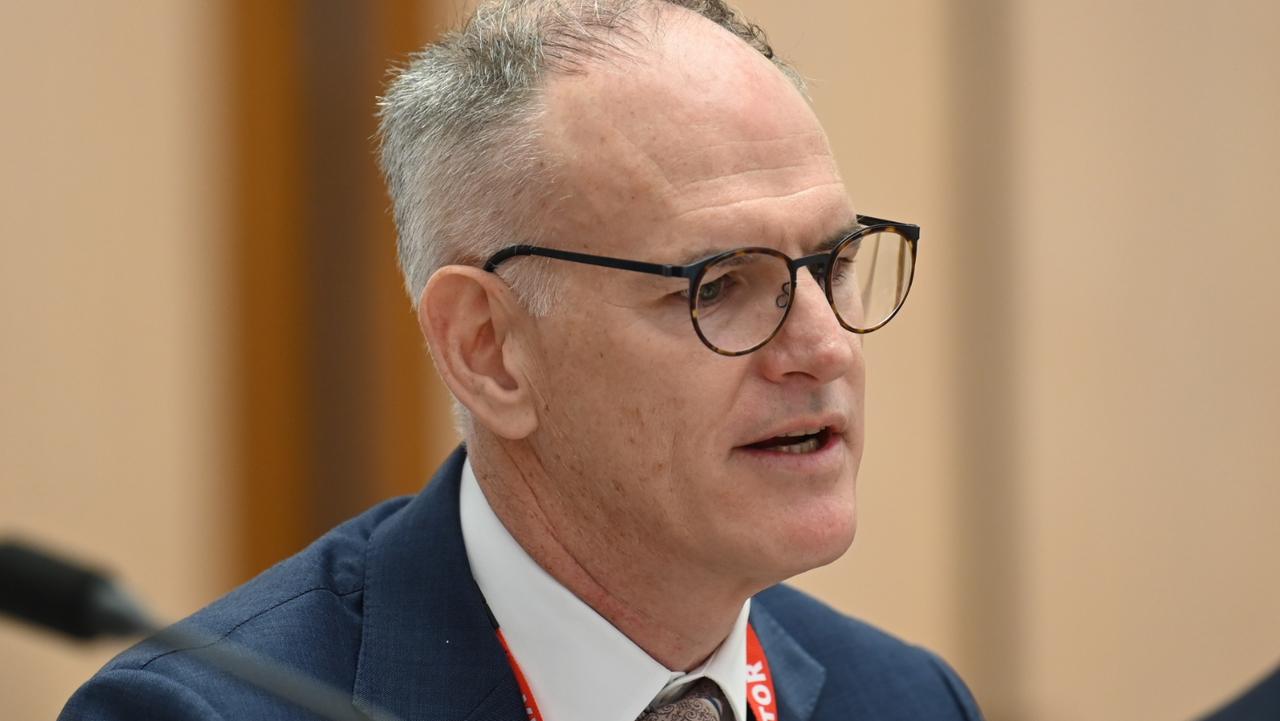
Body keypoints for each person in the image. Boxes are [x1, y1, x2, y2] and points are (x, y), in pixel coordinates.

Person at [61, 1, 983, 719]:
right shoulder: (204, 718)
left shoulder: (904, 701)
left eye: (835, 264)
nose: (824, 345)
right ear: (489, 350)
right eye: (718, 286)